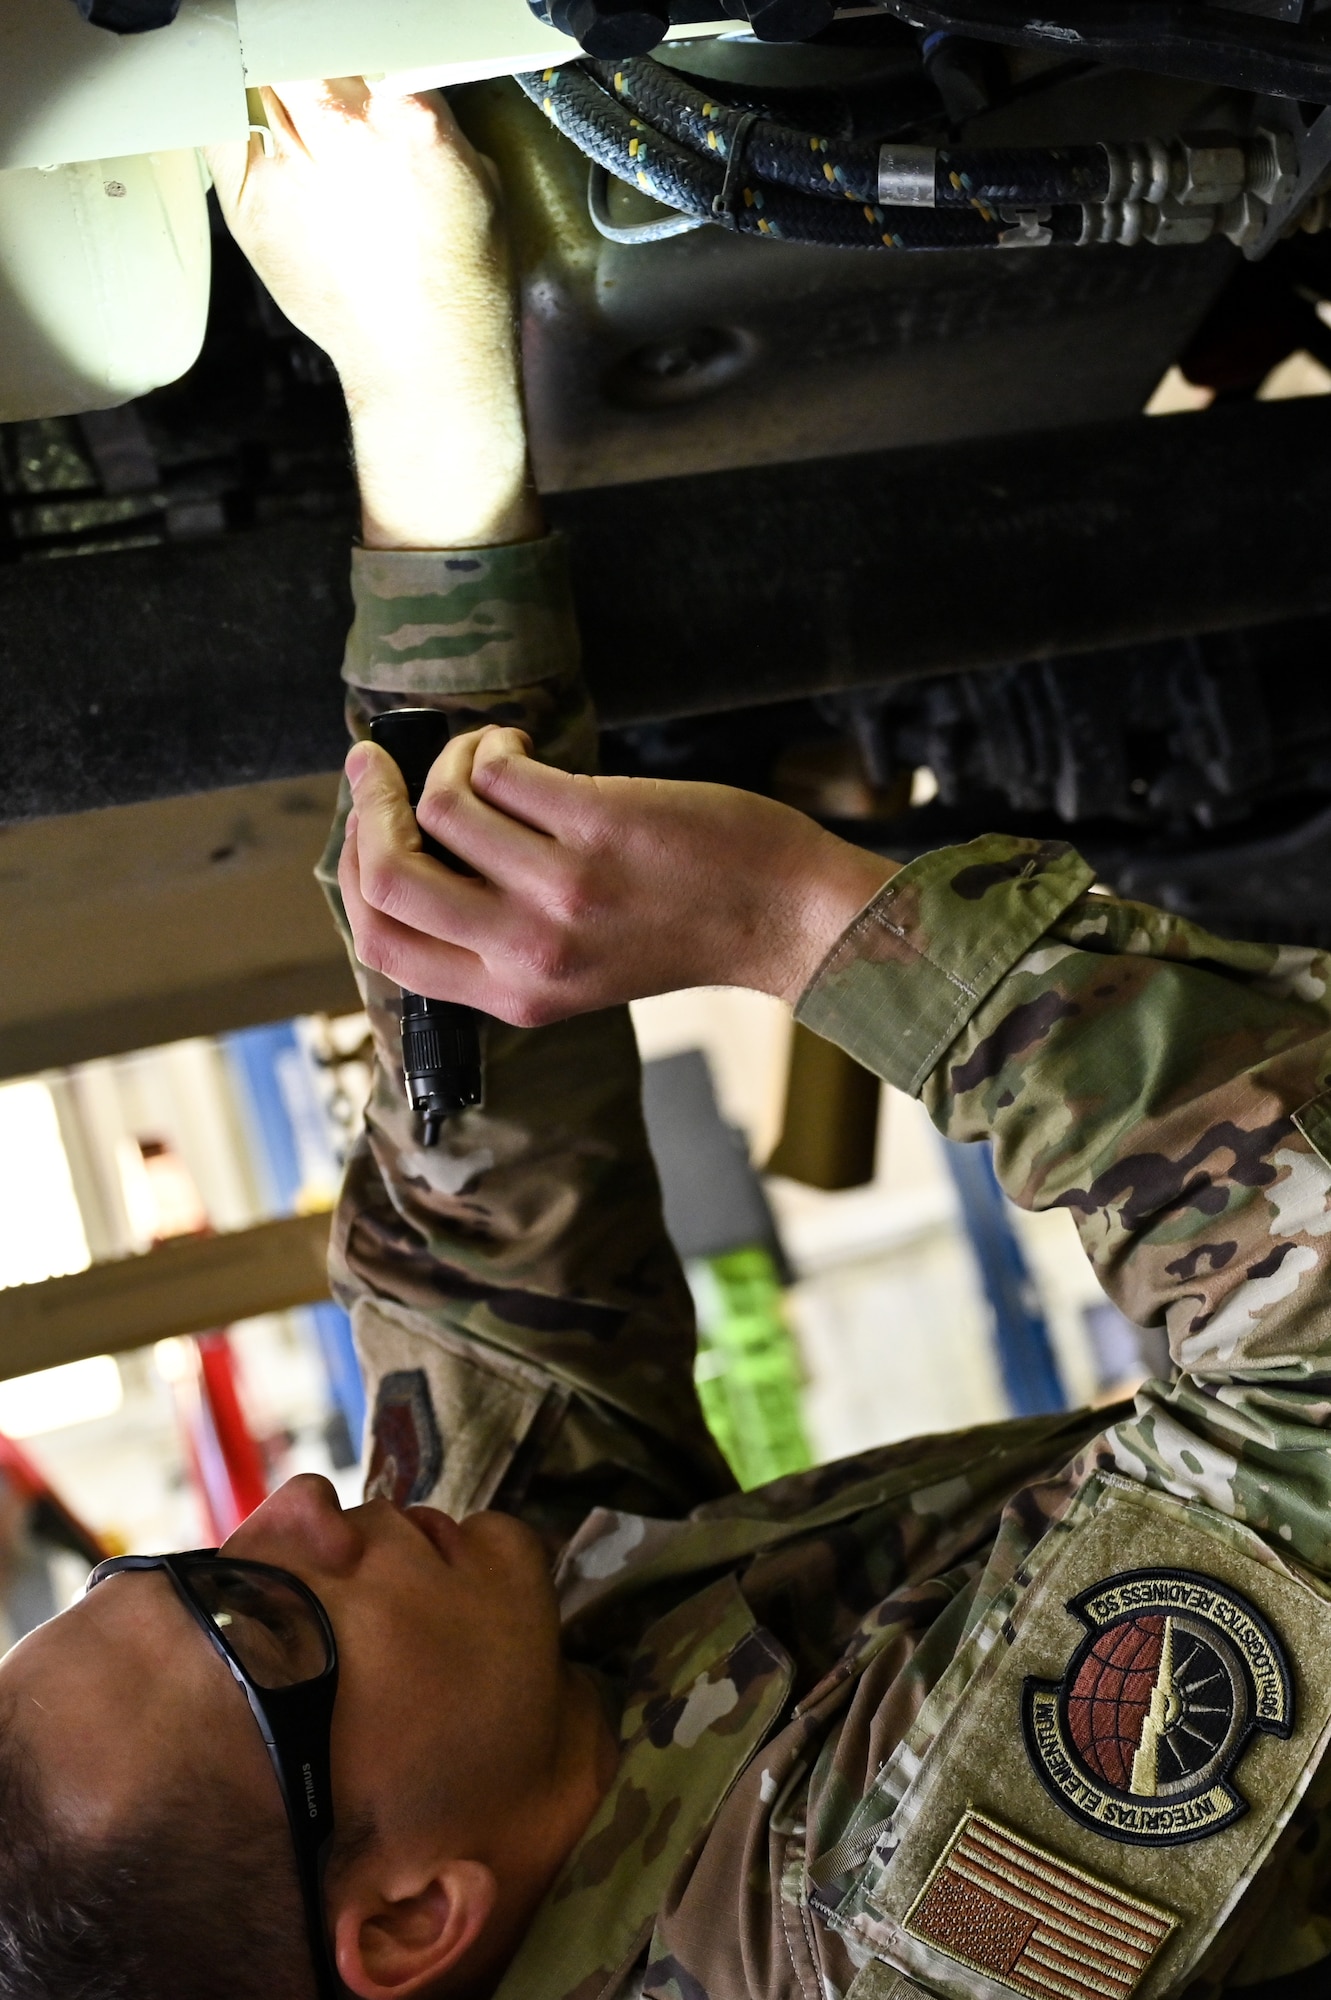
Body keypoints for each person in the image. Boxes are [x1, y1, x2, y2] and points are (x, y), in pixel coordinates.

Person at [2, 76, 1331, 2000]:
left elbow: (484, 1253)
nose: (297, 1510)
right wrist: (801, 924)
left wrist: (431, 420)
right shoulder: (875, 1958)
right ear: (402, 1923)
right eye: (259, 1622)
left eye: (190, 1554)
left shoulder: (479, 1696)